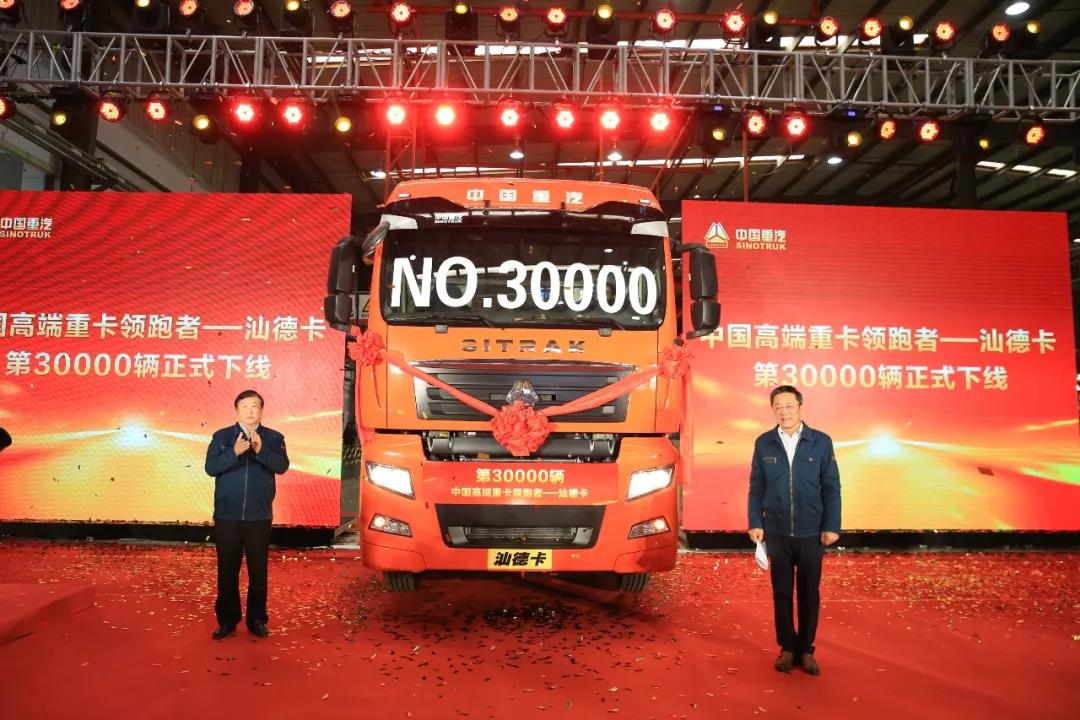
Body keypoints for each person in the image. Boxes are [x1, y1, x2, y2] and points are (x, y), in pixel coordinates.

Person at [747, 385, 841, 676]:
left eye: (789, 406)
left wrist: (831, 526)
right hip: (776, 532)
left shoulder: (821, 442)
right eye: (778, 407)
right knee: (782, 592)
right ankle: (787, 648)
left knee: (809, 593)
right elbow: (756, 486)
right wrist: (755, 521)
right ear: (772, 410)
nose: (783, 412)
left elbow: (831, 487)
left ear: (800, 407)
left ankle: (806, 650)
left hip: (812, 532)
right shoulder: (764, 443)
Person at [204, 390, 289, 640]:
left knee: (258, 572)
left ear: (261, 410)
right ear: (236, 410)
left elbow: (282, 466)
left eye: (255, 406)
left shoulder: (274, 437)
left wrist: (261, 451)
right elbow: (211, 468)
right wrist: (234, 452)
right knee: (227, 571)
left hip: (258, 517)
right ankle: (227, 621)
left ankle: (257, 621)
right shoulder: (222, 437)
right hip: (227, 516)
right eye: (245, 406)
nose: (250, 411)